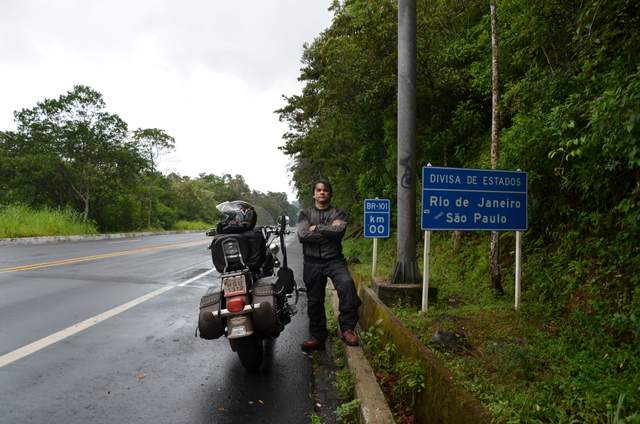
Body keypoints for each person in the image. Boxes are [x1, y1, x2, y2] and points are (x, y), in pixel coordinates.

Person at [297, 179, 361, 351]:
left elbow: (338, 232)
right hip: (312, 262)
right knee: (314, 300)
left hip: (334, 260)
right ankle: (318, 336)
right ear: (314, 194)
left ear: (330, 194)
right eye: (318, 190)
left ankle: (347, 329)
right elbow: (303, 235)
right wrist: (328, 232)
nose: (322, 192)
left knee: (347, 287)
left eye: (325, 190)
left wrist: (316, 227)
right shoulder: (305, 213)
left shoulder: (338, 213)